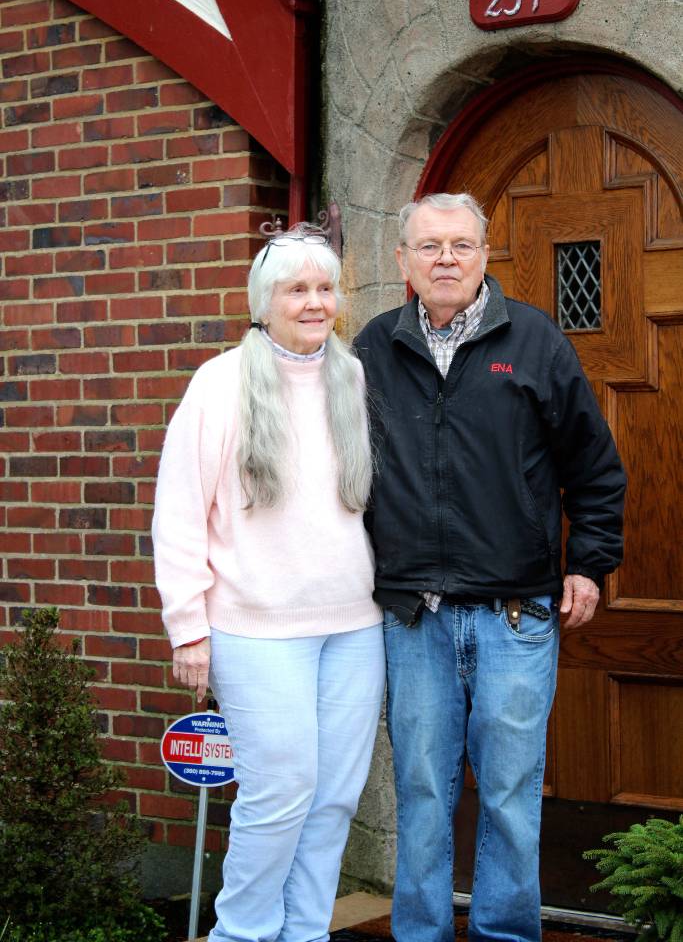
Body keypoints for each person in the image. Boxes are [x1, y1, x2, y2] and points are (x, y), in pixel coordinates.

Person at [353, 193, 626, 942]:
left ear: (483, 255)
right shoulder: (372, 349)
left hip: (515, 616)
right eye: (429, 246)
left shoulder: (534, 341)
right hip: (414, 617)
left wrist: (588, 564)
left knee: (508, 794)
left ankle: (505, 933)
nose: (445, 259)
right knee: (420, 792)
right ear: (403, 260)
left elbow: (594, 467)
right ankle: (420, 933)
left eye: (461, 245)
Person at [152, 227, 385, 942]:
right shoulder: (219, 382)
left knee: (334, 797)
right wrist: (188, 628)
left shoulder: (353, 377)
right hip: (255, 629)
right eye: (296, 289)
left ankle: (305, 931)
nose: (314, 303)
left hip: (353, 624)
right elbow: (179, 511)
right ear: (264, 302)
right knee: (279, 793)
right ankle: (242, 933)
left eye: (325, 288)